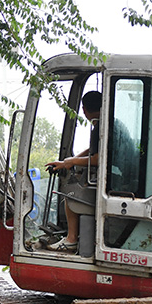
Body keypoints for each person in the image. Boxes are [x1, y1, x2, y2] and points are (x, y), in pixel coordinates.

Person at [45, 91, 102, 253]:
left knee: (71, 194)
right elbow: (92, 150)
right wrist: (67, 162)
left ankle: (71, 239)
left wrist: (73, 161)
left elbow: (98, 158)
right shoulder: (106, 124)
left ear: (84, 110)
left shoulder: (99, 127)